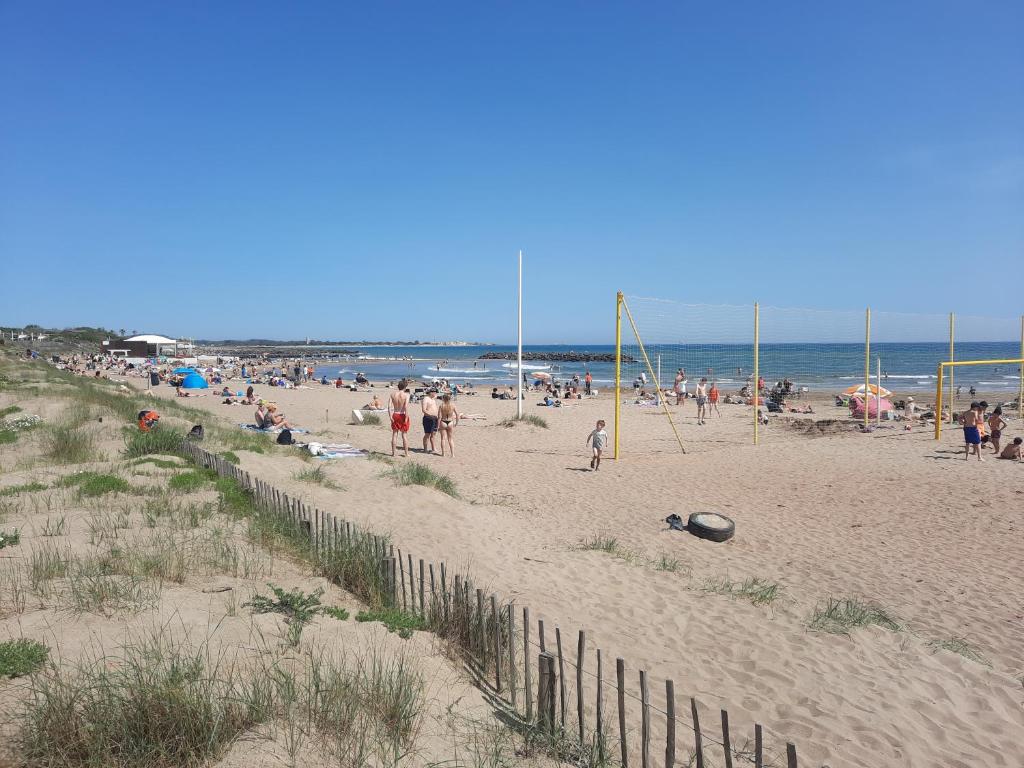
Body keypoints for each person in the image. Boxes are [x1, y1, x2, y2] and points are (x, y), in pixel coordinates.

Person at [389, 380, 412, 457]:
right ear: (405, 387)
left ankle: (393, 453)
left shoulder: (392, 394)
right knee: (404, 435)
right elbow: (405, 407)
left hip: (395, 414)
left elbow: (389, 407)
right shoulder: (406, 395)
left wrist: (390, 416)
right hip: (402, 414)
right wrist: (406, 417)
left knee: (394, 434)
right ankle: (406, 453)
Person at [421, 390, 439, 454]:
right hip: (428, 418)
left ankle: (433, 448)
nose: (435, 393)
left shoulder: (433, 398)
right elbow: (423, 410)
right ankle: (425, 449)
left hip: (435, 418)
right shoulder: (426, 399)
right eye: (434, 392)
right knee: (427, 434)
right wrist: (430, 415)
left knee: (433, 434)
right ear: (430, 392)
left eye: (435, 392)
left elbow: (436, 396)